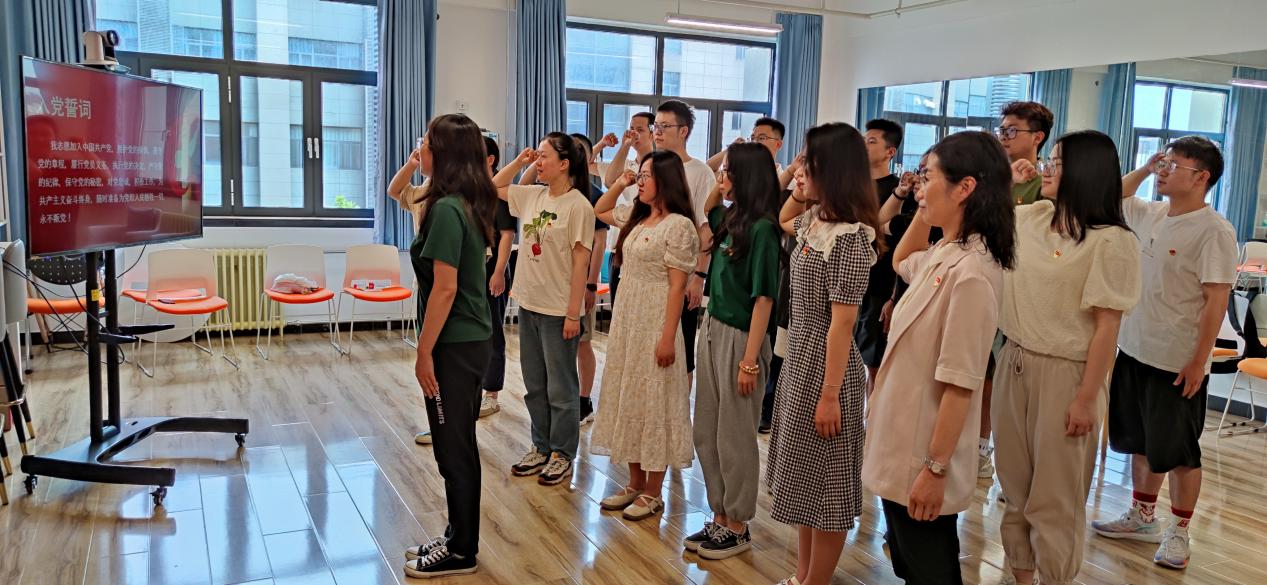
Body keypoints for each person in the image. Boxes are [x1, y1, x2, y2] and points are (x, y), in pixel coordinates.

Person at [862, 131, 1016, 585]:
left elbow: (960, 382)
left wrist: (935, 469)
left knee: (931, 569)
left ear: (965, 188)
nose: (919, 189)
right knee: (911, 563)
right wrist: (924, 211)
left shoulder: (973, 273)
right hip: (902, 438)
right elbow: (901, 259)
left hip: (923, 451)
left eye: (927, 178)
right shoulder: (946, 251)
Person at [993, 131, 1140, 585]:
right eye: (1049, 161)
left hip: (1068, 373)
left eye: (1056, 162)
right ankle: (1021, 577)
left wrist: (1086, 397)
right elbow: (980, 217)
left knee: (1054, 499)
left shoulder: (1111, 241)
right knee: (1014, 490)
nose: (1046, 168)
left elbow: (1107, 327)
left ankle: (1054, 578)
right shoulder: (1032, 216)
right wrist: (1009, 183)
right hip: (1014, 360)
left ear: (1085, 172)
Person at [1092, 136, 1237, 570]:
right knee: (1141, 441)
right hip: (1136, 348)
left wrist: (1198, 361)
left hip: (1177, 361)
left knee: (1178, 451)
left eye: (1174, 165)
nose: (1163, 171)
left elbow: (1216, 300)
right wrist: (1147, 166)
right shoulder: (1150, 213)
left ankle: (1180, 531)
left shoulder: (1215, 231)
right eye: (1164, 162)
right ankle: (1142, 515)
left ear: (1202, 177)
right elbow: (1111, 195)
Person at [766, 122, 880, 585]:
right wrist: (798, 185)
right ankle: (802, 574)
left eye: (808, 163)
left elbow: (843, 323)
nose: (800, 170)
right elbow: (782, 219)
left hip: (828, 366)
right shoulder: (815, 222)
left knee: (827, 485)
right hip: (800, 356)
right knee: (803, 478)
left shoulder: (851, 238)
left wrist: (830, 393)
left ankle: (816, 580)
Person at [399, 113, 498, 578]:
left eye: (426, 142)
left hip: (454, 345)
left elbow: (444, 289)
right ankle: (459, 535)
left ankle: (461, 551)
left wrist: (424, 352)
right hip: (469, 339)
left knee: (452, 449)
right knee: (458, 444)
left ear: (445, 154)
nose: (421, 149)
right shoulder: (464, 204)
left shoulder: (446, 210)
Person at [589, 151, 699, 521]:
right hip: (628, 319)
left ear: (666, 180)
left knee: (656, 400)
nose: (641, 180)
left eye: (647, 175)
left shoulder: (679, 226)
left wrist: (667, 337)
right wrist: (621, 182)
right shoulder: (637, 217)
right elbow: (601, 210)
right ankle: (635, 482)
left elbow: (676, 287)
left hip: (656, 319)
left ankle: (654, 490)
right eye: (641, 174)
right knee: (631, 397)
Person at [685, 143, 781, 559]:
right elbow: (707, 206)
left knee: (735, 434)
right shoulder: (730, 218)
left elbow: (764, 300)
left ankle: (738, 524)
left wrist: (749, 360)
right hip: (712, 327)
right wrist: (728, 157)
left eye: (727, 172)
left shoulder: (763, 229)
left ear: (747, 177)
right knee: (706, 429)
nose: (721, 178)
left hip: (743, 337)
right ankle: (720, 514)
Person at [391, 136, 514, 448]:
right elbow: (394, 190)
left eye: (427, 144)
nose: (420, 148)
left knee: (458, 359)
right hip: (436, 284)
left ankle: (462, 420)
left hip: (462, 288)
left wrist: (498, 271)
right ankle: (447, 427)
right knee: (442, 371)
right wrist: (412, 163)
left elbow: (502, 236)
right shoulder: (426, 194)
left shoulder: (460, 202)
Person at [492, 133, 596, 487]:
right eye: (537, 155)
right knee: (535, 385)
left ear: (564, 164)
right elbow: (494, 186)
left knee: (561, 387)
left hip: (558, 310)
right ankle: (540, 446)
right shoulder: (533, 196)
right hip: (529, 303)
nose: (538, 161)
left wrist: (573, 314)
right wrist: (520, 162)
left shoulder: (579, 206)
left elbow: (581, 264)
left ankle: (562, 453)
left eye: (544, 156)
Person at [978, 100, 1056, 480]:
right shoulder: (991, 178)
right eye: (1002, 130)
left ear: (1037, 137)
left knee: (1012, 378)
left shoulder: (1046, 185)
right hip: (984, 283)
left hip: (1024, 294)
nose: (1004, 136)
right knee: (980, 372)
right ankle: (978, 447)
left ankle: (1012, 459)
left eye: (1012, 130)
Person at [525, 133, 609, 426]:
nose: (539, 160)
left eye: (543, 155)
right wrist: (526, 162)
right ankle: (545, 435)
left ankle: (583, 403)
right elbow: (511, 188)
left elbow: (594, 248)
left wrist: (589, 287)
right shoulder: (541, 193)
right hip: (543, 296)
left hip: (571, 293)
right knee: (541, 374)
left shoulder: (588, 199)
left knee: (579, 349)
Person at [652, 99, 716, 380]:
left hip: (683, 273)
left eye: (664, 126)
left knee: (681, 352)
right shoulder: (650, 167)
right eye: (656, 126)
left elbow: (705, 229)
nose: (657, 132)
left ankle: (679, 405)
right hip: (651, 272)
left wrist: (699, 276)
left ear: (684, 131)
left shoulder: (700, 172)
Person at [855, 118, 904, 395]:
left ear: (890, 152)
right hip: (849, 281)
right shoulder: (852, 186)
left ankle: (871, 417)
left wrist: (894, 296)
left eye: (872, 141)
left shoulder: (900, 190)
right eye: (864, 140)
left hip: (879, 286)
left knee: (874, 364)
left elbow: (900, 245)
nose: (864, 145)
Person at [600, 112, 657, 304]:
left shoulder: (660, 165)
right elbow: (609, 181)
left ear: (652, 133)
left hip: (648, 246)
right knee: (618, 306)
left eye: (640, 130)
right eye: (631, 129)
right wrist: (625, 145)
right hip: (620, 245)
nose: (634, 134)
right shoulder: (627, 164)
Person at [706, 116, 786, 174]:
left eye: (762, 138)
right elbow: (708, 170)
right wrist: (731, 149)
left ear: (778, 144)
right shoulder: (742, 173)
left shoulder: (787, 182)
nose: (754, 142)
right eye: (752, 138)